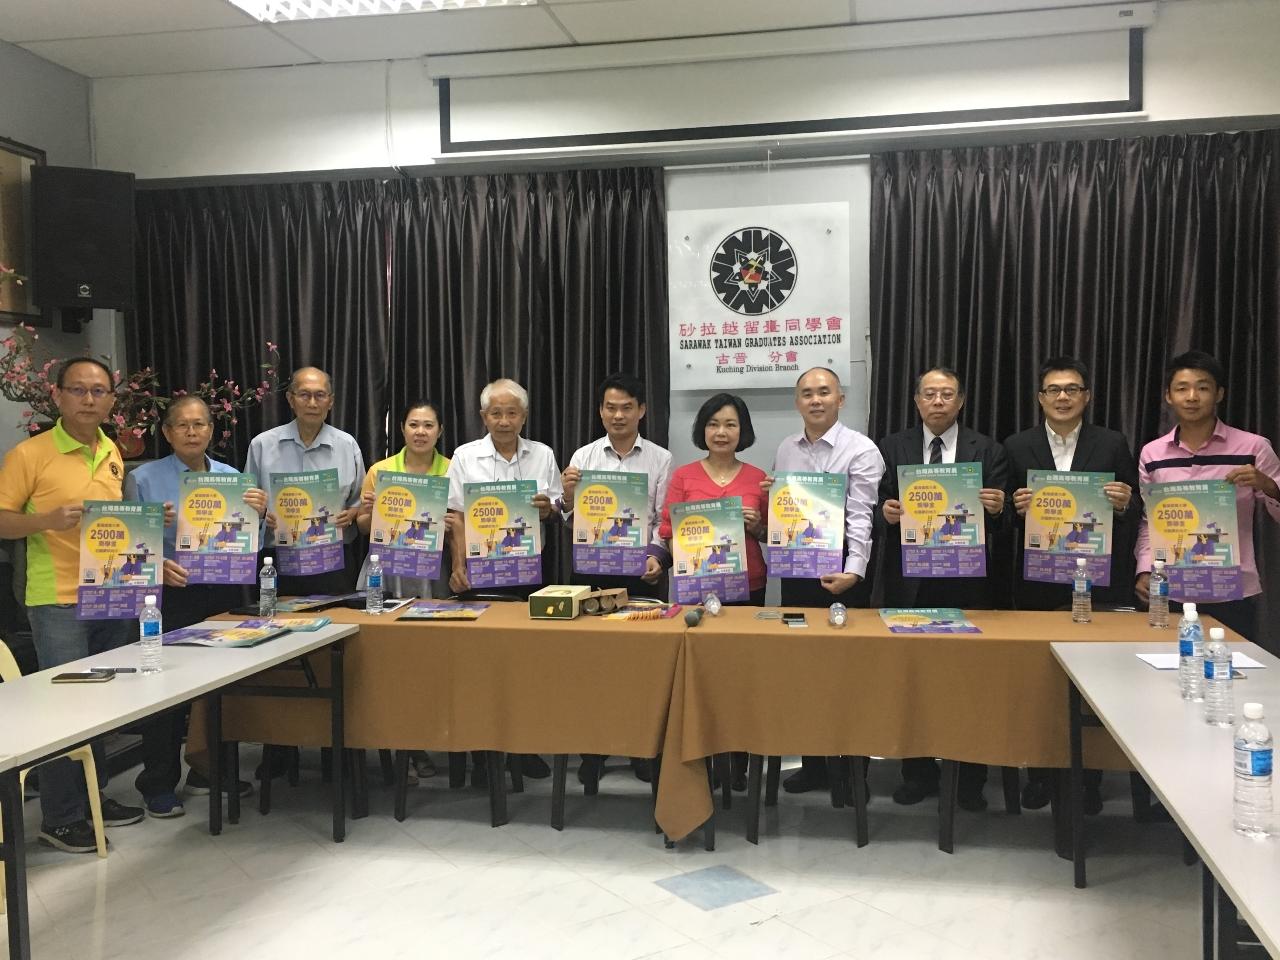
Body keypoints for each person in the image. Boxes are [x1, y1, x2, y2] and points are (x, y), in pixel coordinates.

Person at [0, 358, 147, 852]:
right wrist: (45, 520)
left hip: (111, 593)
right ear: (58, 396)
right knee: (64, 710)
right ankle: (60, 817)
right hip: (57, 599)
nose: (89, 399)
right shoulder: (29, 454)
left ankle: (93, 798)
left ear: (111, 400)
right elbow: (2, 521)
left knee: (101, 706)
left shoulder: (112, 451)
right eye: (79, 390)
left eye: (99, 391)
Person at [1004, 357, 1139, 813]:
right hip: (1038, 584)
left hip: (1097, 582)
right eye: (1053, 389)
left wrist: (1123, 504)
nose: (1063, 397)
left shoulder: (1112, 443)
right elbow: (1001, 520)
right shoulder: (1017, 445)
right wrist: (1013, 507)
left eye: (1072, 389)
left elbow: (1137, 513)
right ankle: (1041, 775)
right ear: (1040, 398)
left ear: (1087, 397)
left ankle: (1090, 781)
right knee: (1039, 683)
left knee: (1093, 683)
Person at [877, 366, 1009, 812]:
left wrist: (997, 509)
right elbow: (876, 508)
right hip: (910, 584)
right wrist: (888, 513)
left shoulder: (988, 449)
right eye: (929, 394)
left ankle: (969, 777)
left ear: (961, 401)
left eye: (946, 394)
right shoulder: (893, 446)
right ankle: (917, 773)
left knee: (968, 685)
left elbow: (1008, 523)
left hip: (967, 584)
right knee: (910, 683)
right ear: (916, 401)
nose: (937, 401)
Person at [124, 395, 264, 816]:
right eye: (182, 425)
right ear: (166, 432)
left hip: (220, 592)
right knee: (165, 691)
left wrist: (258, 513)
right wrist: (152, 527)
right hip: (169, 595)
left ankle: (209, 769)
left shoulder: (230, 477)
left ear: (211, 431)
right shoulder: (144, 478)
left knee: (220, 686)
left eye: (199, 424)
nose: (191, 432)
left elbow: (247, 540)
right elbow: (125, 544)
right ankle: (158, 783)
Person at [766, 367, 886, 796]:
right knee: (804, 673)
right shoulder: (785, 448)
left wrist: (854, 570)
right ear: (797, 402)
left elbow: (861, 515)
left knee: (849, 677)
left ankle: (854, 774)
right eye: (806, 394)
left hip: (843, 577)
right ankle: (814, 764)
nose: (815, 400)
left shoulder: (862, 450)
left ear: (841, 399)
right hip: (798, 575)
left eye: (824, 392)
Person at [446, 378, 563, 784]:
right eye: (495, 413)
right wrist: (458, 566)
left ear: (524, 416)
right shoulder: (465, 456)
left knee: (526, 665)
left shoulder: (542, 455)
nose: (504, 420)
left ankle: (524, 749)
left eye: (512, 412)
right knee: (480, 666)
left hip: (530, 574)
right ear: (483, 417)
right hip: (480, 575)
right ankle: (482, 754)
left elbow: (558, 507)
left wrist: (548, 508)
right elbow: (456, 516)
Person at [561, 373, 673, 786]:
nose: (618, 415)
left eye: (627, 407)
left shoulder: (660, 459)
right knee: (592, 667)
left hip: (639, 575)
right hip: (590, 573)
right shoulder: (583, 456)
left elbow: (664, 520)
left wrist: (657, 558)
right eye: (610, 407)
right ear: (601, 411)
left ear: (642, 410)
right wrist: (568, 496)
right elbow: (567, 517)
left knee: (640, 669)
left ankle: (641, 749)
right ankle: (593, 752)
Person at [656, 393, 768, 793]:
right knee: (695, 681)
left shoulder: (759, 478)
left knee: (738, 681)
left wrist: (756, 526)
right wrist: (684, 564)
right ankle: (695, 764)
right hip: (694, 594)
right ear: (702, 429)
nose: (722, 432)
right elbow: (667, 531)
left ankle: (738, 763)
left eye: (731, 424)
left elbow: (775, 534)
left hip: (746, 590)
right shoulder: (684, 476)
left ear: (744, 431)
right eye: (714, 424)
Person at [1134, 350, 1280, 639]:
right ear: (1168, 396)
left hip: (1232, 589)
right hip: (1172, 588)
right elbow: (1149, 520)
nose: (1192, 396)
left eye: (1202, 388)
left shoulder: (1253, 448)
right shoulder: (1152, 453)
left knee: (1233, 675)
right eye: (1182, 388)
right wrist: (1144, 568)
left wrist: (1268, 485)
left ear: (1219, 394)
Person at [356, 399, 451, 783]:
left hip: (433, 576)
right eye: (413, 424)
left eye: (429, 425)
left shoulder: (452, 469)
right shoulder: (380, 471)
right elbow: (362, 527)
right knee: (389, 665)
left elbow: (464, 522)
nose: (421, 432)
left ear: (440, 431)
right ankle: (399, 749)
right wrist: (373, 512)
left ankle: (422, 743)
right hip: (386, 576)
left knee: (429, 666)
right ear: (402, 430)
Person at [245, 367, 365, 597]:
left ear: (330, 402)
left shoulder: (347, 446)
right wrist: (260, 514)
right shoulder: (262, 445)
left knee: (337, 626)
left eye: (320, 395)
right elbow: (246, 505)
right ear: (291, 399)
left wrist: (351, 514)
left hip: (332, 559)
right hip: (278, 559)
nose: (312, 403)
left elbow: (359, 501)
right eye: (304, 395)